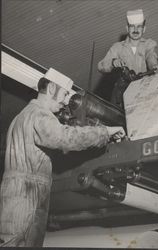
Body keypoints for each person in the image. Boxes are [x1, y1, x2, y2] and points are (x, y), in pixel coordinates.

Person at [0, 68, 125, 247]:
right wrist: (105, 132)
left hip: (22, 193)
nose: (66, 101)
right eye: (65, 94)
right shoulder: (39, 115)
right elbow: (66, 138)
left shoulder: (21, 117)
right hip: (26, 193)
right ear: (51, 88)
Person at [98, 9, 158, 107]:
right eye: (132, 26)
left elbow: (151, 56)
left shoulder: (149, 44)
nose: (135, 30)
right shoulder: (117, 47)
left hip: (142, 90)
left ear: (144, 29)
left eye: (139, 26)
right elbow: (101, 65)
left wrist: (154, 66)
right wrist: (113, 62)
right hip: (122, 93)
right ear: (127, 28)